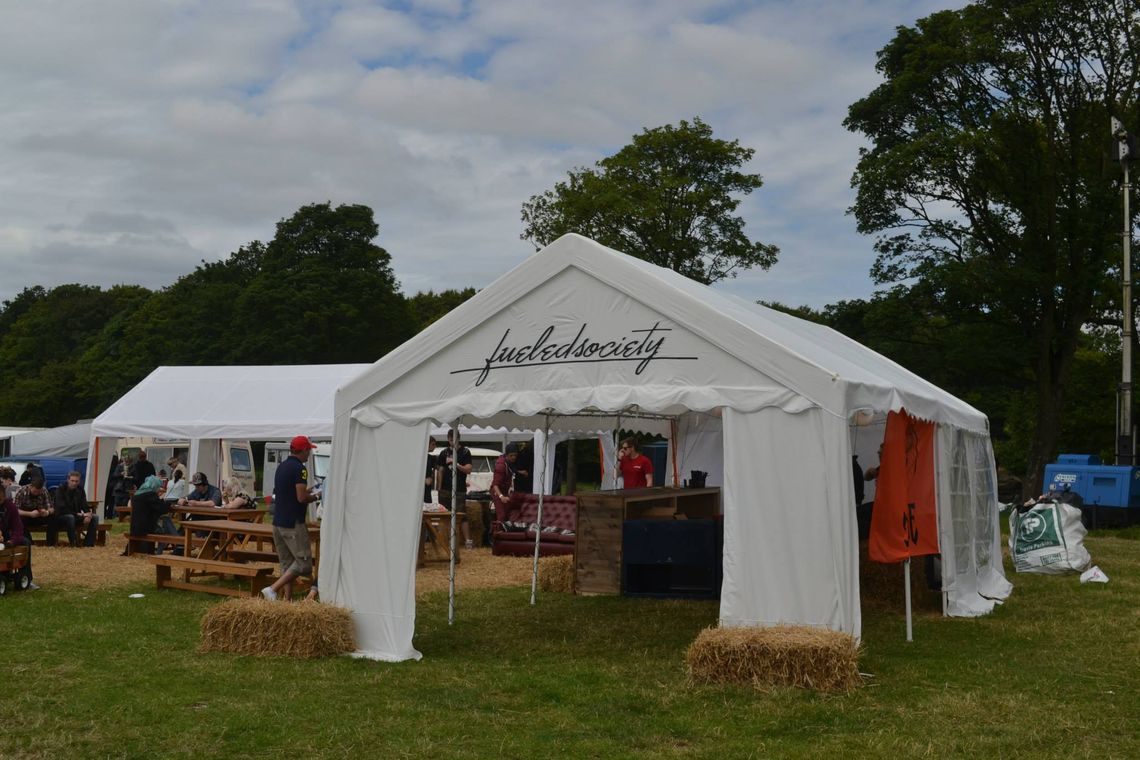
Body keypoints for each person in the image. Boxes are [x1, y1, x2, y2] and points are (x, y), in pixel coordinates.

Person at [261, 435, 321, 601]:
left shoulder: (282, 467)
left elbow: (289, 493)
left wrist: (307, 491)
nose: (309, 453)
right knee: (304, 564)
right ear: (303, 450)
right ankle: (273, 589)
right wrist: (317, 497)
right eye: (309, 449)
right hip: (293, 523)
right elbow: (301, 498)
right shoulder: (300, 469)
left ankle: (287, 600)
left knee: (287, 564)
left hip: (278, 522)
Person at [436, 429, 474, 550]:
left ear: (459, 439)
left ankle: (468, 541)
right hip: (445, 489)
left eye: (455, 439)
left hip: (459, 489)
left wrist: (456, 463)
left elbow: (468, 469)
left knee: (461, 515)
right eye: (451, 439)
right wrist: (439, 487)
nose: (453, 441)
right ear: (448, 439)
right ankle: (443, 541)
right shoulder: (443, 453)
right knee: (444, 516)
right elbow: (440, 471)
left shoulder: (465, 452)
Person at [54, 471, 100, 548]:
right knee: (70, 517)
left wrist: (88, 514)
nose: (74, 483)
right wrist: (80, 514)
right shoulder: (60, 489)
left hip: (76, 516)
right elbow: (61, 508)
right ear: (68, 480)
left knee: (95, 517)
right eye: (72, 481)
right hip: (61, 517)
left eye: (76, 481)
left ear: (79, 481)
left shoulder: (80, 490)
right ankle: (73, 544)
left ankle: (88, 544)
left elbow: (84, 505)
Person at [1, 492, 37, 590]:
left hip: (5, 538)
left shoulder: (10, 507)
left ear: (4, 497)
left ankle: (27, 578)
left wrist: (11, 542)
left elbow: (18, 529)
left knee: (25, 542)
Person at [127, 475, 167, 556]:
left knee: (165, 522)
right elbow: (162, 509)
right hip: (145, 528)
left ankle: (179, 544)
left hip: (135, 527)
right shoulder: (151, 495)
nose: (158, 489)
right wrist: (168, 503)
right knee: (166, 521)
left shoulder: (137, 494)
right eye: (158, 487)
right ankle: (179, 544)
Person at [14, 478, 58, 545]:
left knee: (52, 517)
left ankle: (51, 544)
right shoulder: (21, 491)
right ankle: (29, 543)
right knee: (18, 520)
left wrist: (46, 512)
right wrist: (30, 514)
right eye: (35, 491)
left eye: (39, 492)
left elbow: (51, 508)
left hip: (39, 515)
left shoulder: (44, 491)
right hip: (26, 516)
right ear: (30, 487)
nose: (36, 493)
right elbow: (15, 510)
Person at [490, 442, 519, 524]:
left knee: (506, 514)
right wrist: (501, 496)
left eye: (515, 455)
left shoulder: (509, 463)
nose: (514, 457)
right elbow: (495, 484)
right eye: (511, 455)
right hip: (497, 491)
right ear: (506, 455)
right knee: (501, 515)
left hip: (504, 490)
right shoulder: (501, 465)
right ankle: (497, 534)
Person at [424, 438, 436, 504]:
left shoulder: (431, 458)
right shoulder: (419, 457)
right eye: (433, 444)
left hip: (428, 489)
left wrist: (431, 477)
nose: (434, 446)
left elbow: (433, 470)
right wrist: (424, 480)